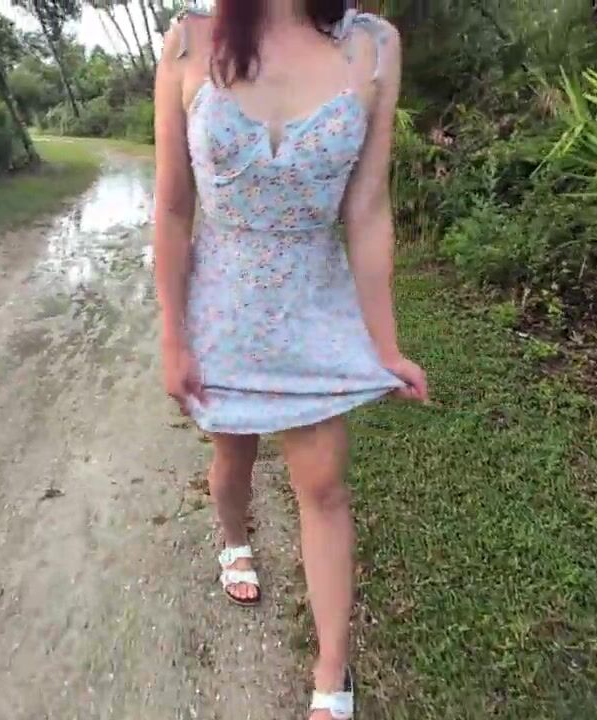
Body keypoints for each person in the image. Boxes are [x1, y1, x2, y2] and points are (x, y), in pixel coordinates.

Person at [152, 1, 428, 717]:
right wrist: (174, 337)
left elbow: (367, 208)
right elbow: (174, 209)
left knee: (325, 485)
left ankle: (332, 671)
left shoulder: (371, 45)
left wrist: (385, 343)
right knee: (232, 459)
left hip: (312, 306)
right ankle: (233, 539)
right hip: (222, 310)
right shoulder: (189, 42)